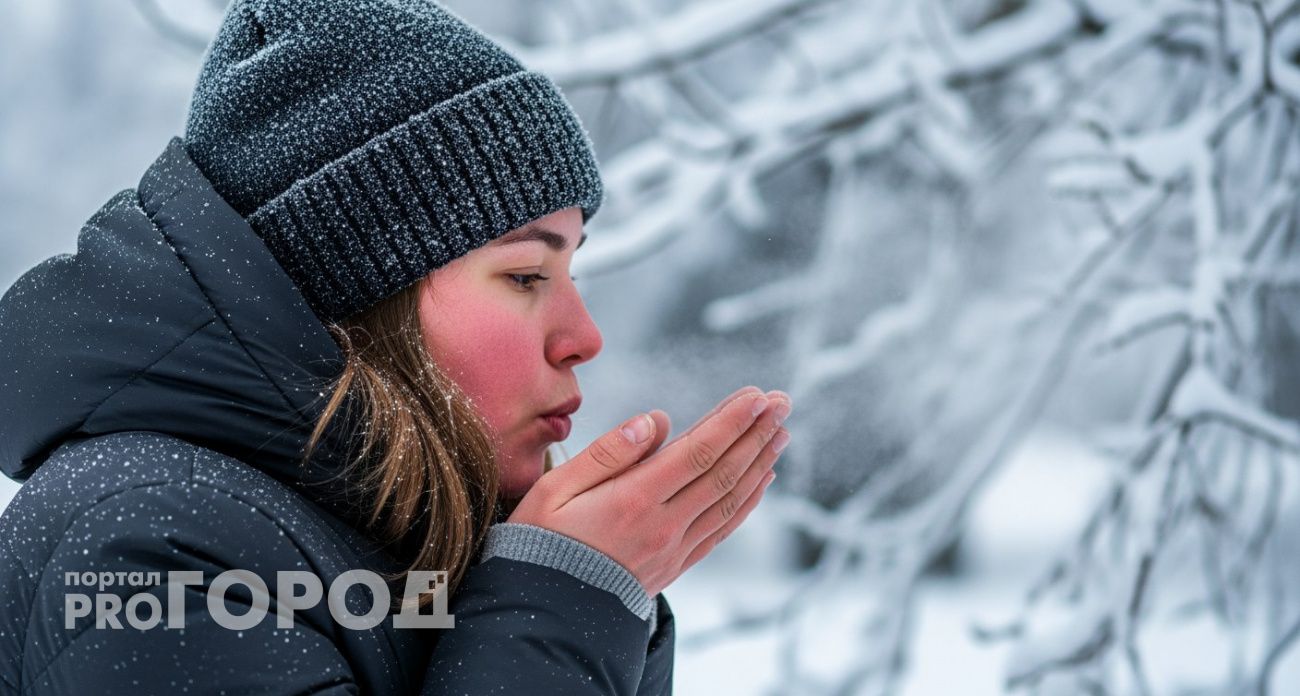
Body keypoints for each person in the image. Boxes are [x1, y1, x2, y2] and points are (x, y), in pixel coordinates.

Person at [0, 1, 792, 694]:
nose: (584, 338)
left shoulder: (410, 542)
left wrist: (584, 594)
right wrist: (559, 608)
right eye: (524, 275)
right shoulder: (153, 545)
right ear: (355, 289)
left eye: (571, 271)